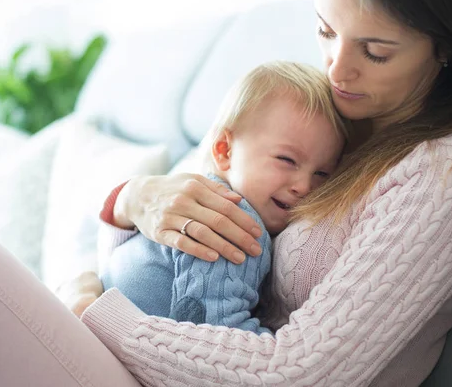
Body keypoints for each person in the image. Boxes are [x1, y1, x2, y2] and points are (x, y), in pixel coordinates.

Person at [0, 0, 452, 386]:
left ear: (447, 54)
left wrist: (101, 316)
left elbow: (301, 374)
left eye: (375, 53)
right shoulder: (306, 117)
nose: (337, 70)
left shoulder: (449, 173)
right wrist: (128, 201)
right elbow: (149, 255)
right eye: (326, 32)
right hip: (134, 359)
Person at [98, 61, 345, 334]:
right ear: (225, 150)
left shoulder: (192, 192)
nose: (304, 186)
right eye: (286, 160)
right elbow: (213, 335)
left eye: (322, 174)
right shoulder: (234, 223)